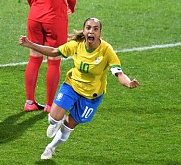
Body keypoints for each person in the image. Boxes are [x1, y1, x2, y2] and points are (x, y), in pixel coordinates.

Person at [18, 17, 140, 160]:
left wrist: (128, 83)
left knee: (68, 126)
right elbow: (53, 51)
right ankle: (57, 120)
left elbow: (118, 72)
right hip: (72, 86)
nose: (91, 31)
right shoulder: (76, 44)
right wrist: (30, 44)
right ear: (84, 30)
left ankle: (51, 147)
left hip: (91, 97)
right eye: (88, 28)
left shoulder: (106, 50)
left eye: (95, 29)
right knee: (52, 119)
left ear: (100, 33)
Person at [23, 0, 77, 112]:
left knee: (34, 57)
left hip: (35, 16)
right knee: (54, 60)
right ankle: (49, 105)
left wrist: (35, 6)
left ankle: (29, 102)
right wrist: (72, 6)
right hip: (55, 19)